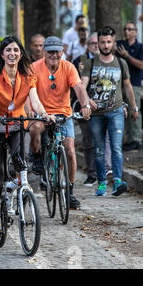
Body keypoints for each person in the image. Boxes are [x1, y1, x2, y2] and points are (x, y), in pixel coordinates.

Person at [0, 36, 53, 242]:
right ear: (2, 54)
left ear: (20, 54)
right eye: (8, 50)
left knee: (22, 168)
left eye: (15, 50)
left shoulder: (28, 77)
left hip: (16, 129)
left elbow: (36, 101)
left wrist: (44, 114)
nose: (12, 54)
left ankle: (15, 189)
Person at [28, 36, 91, 210]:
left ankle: (70, 192)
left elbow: (78, 87)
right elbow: (29, 91)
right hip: (42, 114)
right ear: (44, 52)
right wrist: (32, 110)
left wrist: (84, 104)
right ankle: (37, 157)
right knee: (34, 130)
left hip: (63, 114)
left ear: (62, 52)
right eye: (50, 51)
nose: (54, 55)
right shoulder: (34, 68)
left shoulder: (69, 67)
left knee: (69, 150)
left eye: (57, 51)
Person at [81, 26, 138, 197]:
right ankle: (102, 183)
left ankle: (118, 181)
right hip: (96, 114)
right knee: (99, 150)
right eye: (102, 42)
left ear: (113, 42)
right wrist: (87, 101)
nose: (105, 45)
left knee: (116, 148)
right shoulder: (90, 64)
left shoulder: (121, 63)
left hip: (116, 111)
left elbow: (127, 86)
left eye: (108, 42)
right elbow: (82, 86)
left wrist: (133, 106)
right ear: (97, 43)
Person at [71, 32, 99, 187]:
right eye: (93, 44)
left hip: (103, 107)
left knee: (102, 141)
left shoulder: (105, 61)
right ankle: (92, 174)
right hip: (83, 106)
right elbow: (76, 85)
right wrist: (86, 100)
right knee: (88, 141)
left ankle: (104, 173)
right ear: (87, 45)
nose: (96, 46)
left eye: (97, 43)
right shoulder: (78, 61)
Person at [117, 21, 143, 151]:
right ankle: (127, 139)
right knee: (122, 111)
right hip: (119, 83)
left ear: (136, 32)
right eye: (125, 29)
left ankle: (136, 139)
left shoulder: (141, 47)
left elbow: (141, 65)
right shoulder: (120, 45)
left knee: (134, 110)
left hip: (134, 83)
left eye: (130, 29)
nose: (126, 31)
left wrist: (127, 56)